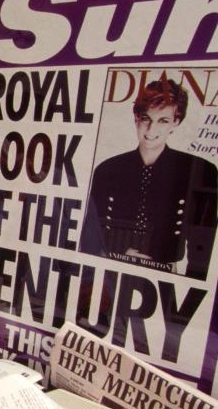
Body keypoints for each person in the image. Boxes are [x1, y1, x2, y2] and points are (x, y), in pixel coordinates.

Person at [80, 79, 218, 280]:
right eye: (146, 118)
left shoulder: (200, 170)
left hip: (166, 277)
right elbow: (90, 235)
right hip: (110, 270)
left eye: (163, 120)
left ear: (176, 122)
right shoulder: (107, 169)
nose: (152, 129)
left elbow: (204, 245)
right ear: (136, 118)